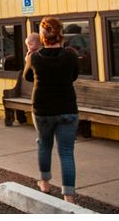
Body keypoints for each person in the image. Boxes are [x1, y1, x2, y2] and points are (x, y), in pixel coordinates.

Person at [25, 16, 80, 199]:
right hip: (67, 108)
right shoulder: (71, 55)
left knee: (44, 144)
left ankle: (45, 183)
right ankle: (69, 196)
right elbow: (74, 76)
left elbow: (27, 77)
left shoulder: (35, 57)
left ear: (42, 37)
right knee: (66, 152)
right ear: (61, 34)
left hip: (43, 110)